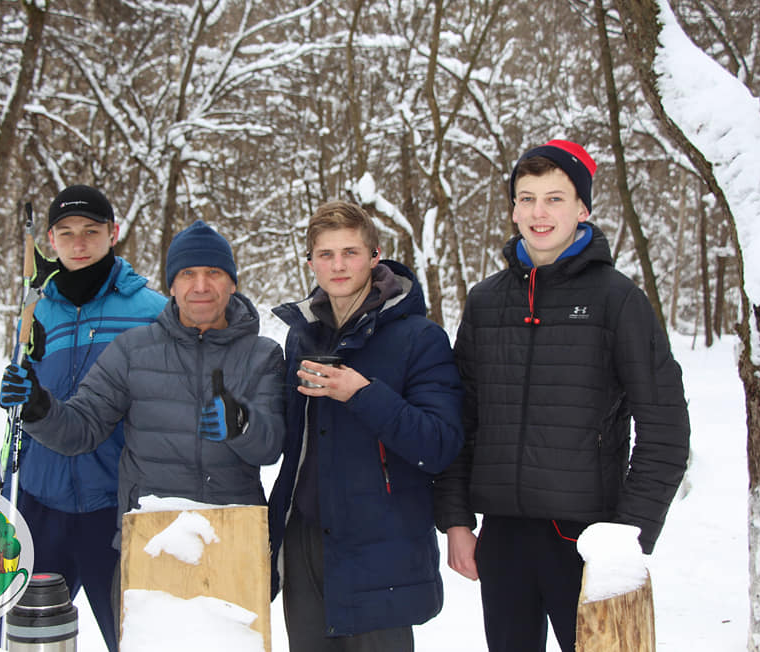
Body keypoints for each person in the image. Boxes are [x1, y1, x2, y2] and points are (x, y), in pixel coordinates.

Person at [433, 139, 691, 651]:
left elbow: (665, 428)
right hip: (503, 535)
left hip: (588, 538)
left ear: (582, 208)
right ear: (512, 210)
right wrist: (458, 520)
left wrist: (628, 535)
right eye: (526, 198)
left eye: (554, 198)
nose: (539, 212)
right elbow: (463, 419)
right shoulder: (486, 302)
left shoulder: (618, 300)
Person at [0, 217, 285, 542]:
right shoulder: (132, 350)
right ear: (172, 286)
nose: (201, 286)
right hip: (150, 539)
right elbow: (82, 429)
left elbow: (270, 449)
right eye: (187, 274)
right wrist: (37, 405)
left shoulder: (263, 355)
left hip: (233, 536)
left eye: (214, 273)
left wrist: (242, 424)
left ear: (232, 283)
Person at [268, 200, 465, 652]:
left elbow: (439, 443)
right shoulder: (303, 336)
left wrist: (362, 393)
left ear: (375, 256)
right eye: (325, 254)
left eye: (351, 252)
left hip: (381, 546)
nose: (338, 265)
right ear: (311, 261)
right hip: (306, 542)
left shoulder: (419, 337)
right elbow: (290, 442)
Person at [3, 184, 167, 652]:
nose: (78, 243)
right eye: (66, 232)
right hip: (41, 501)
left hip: (115, 505)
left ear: (113, 234)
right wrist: (17, 393)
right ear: (50, 240)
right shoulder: (36, 313)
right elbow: (30, 383)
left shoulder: (151, 312)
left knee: (135, 638)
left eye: (91, 231)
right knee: (32, 640)